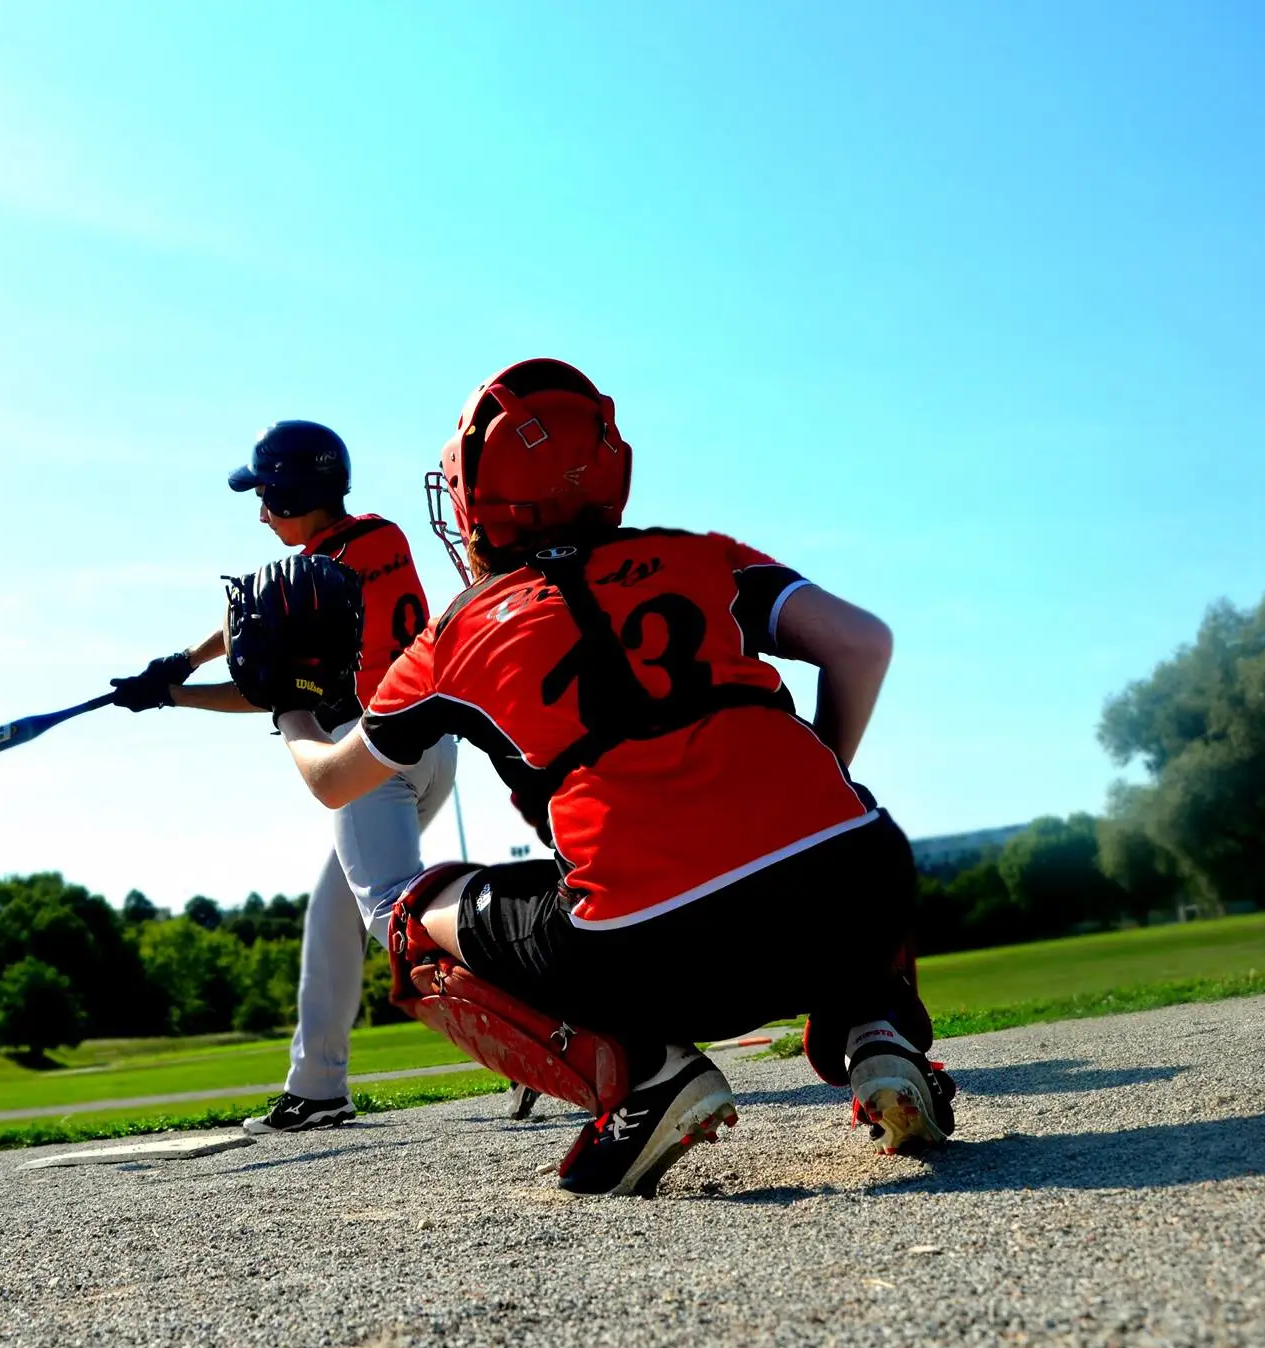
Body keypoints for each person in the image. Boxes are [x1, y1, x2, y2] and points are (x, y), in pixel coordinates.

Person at [257, 358, 957, 1196]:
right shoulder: (701, 554)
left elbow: (337, 781)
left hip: (652, 951)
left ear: (479, 499)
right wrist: (816, 779)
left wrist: (290, 710)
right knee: (847, 824)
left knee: (408, 917)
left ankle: (641, 1074)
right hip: (851, 896)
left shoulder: (462, 630)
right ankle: (879, 1031)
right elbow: (861, 643)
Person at [110, 420, 458, 1133]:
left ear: (298, 492)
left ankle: (560, 1021)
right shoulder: (377, 537)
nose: (261, 512)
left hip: (366, 760)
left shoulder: (312, 579)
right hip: (431, 743)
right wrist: (183, 660)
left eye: (268, 496)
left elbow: (270, 687)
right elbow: (260, 625)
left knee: (397, 918)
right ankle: (318, 1084)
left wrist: (172, 693)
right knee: (334, 914)